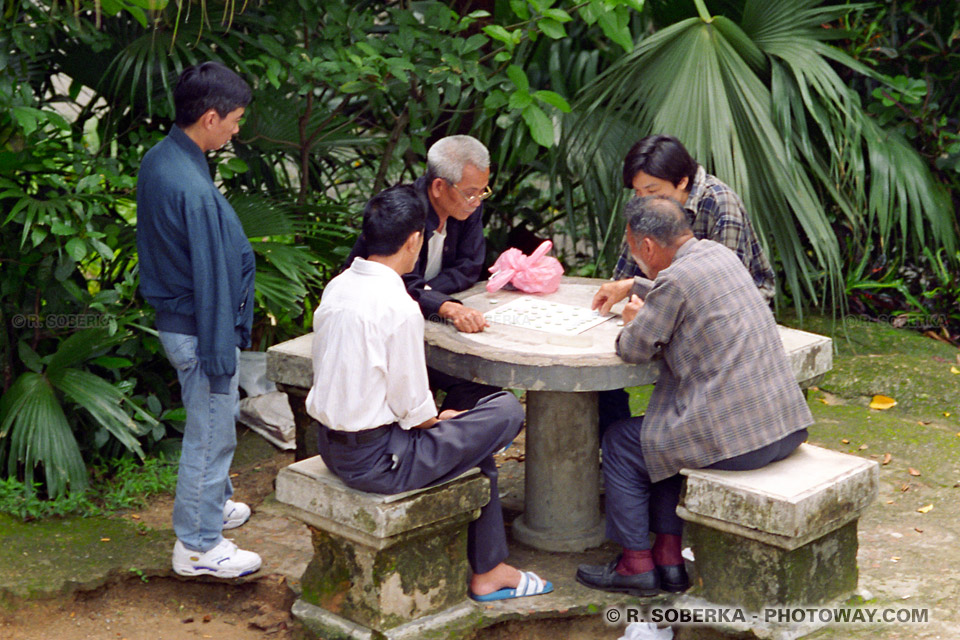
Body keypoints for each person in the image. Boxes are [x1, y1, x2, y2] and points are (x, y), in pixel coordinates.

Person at [307, 185, 553, 601]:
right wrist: (439, 421)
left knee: (473, 444)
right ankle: (490, 571)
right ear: (414, 241)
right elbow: (414, 409)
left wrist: (440, 423)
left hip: (332, 444)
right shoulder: (398, 305)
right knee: (506, 410)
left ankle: (490, 568)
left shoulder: (339, 286)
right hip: (378, 460)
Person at [576, 197, 812, 596]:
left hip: (741, 444)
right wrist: (636, 285)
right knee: (665, 434)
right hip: (785, 425)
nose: (635, 257)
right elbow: (688, 293)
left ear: (646, 246)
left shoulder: (674, 282)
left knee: (622, 442)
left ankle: (635, 563)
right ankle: (668, 559)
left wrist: (633, 321)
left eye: (633, 249)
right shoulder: (719, 255)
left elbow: (633, 348)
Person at [137, 62, 261, 579]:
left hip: (184, 321)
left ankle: (212, 505)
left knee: (211, 424)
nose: (237, 128)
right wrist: (219, 355)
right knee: (212, 434)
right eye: (234, 119)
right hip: (198, 329)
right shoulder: (188, 184)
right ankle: (197, 545)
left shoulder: (164, 157)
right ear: (210, 117)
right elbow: (211, 278)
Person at [593, 134, 777, 432]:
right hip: (670, 301)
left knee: (640, 347)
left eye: (653, 190)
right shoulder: (647, 201)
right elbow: (630, 267)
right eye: (638, 192)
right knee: (609, 354)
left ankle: (654, 442)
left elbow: (721, 290)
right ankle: (618, 438)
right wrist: (624, 285)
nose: (645, 200)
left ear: (682, 181)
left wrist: (636, 289)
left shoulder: (720, 204)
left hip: (729, 314)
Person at [344, 135, 498, 412]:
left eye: (482, 192)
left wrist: (426, 292)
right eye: (470, 192)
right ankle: (434, 437)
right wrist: (440, 302)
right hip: (381, 326)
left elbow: (470, 266)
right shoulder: (401, 214)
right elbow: (392, 282)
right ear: (439, 186)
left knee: (484, 378)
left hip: (420, 312)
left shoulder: (467, 207)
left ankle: (446, 437)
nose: (476, 201)